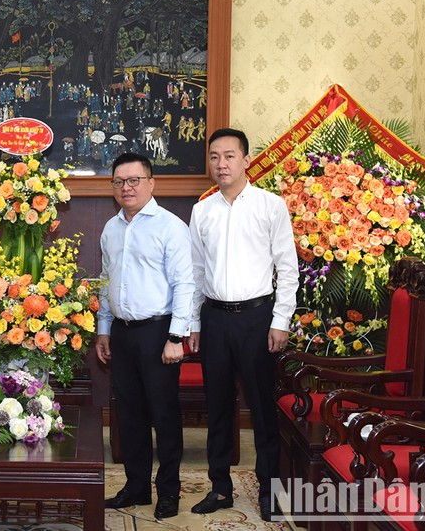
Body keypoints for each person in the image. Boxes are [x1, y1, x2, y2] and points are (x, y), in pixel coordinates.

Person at [188, 128, 298, 522]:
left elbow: (288, 269)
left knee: (262, 409)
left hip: (257, 317)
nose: (221, 164)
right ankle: (220, 488)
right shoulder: (202, 210)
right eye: (215, 156)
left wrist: (280, 320)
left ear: (247, 160)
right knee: (216, 407)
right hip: (214, 318)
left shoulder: (271, 206)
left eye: (229, 156)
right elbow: (197, 271)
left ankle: (270, 490)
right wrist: (194, 322)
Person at [96, 153, 194, 520]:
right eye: (119, 181)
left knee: (164, 416)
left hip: (158, 333)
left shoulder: (171, 227)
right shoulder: (111, 228)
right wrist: (104, 330)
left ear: (151, 183)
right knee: (130, 415)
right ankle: (136, 486)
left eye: (134, 180)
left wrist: (175, 337)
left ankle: (168, 491)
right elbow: (107, 282)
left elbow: (185, 284)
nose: (127, 187)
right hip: (122, 333)